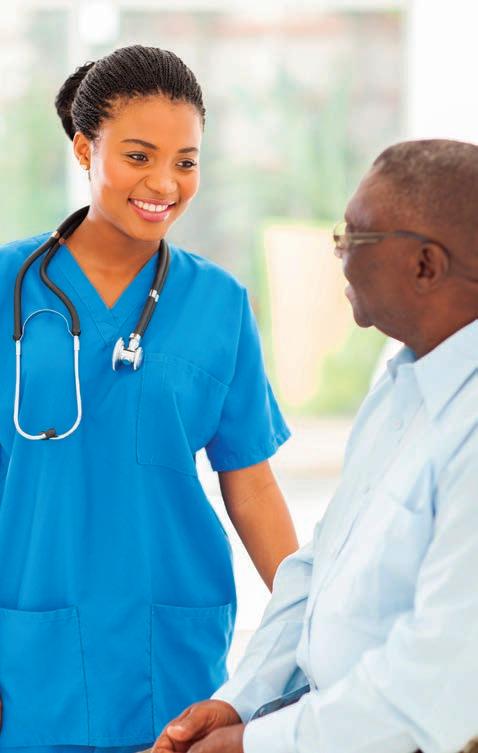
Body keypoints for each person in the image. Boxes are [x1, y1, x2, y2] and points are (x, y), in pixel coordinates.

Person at [0, 45, 298, 749]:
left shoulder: (220, 303)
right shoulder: (8, 285)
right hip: (28, 637)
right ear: (84, 149)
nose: (164, 182)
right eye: (139, 156)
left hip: (169, 643)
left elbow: (251, 484)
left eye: (186, 162)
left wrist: (315, 615)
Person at [152, 138, 478, 753]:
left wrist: (254, 743)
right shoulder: (400, 388)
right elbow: (318, 567)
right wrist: (240, 700)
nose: (339, 252)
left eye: (355, 236)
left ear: (425, 266)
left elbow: (434, 685)